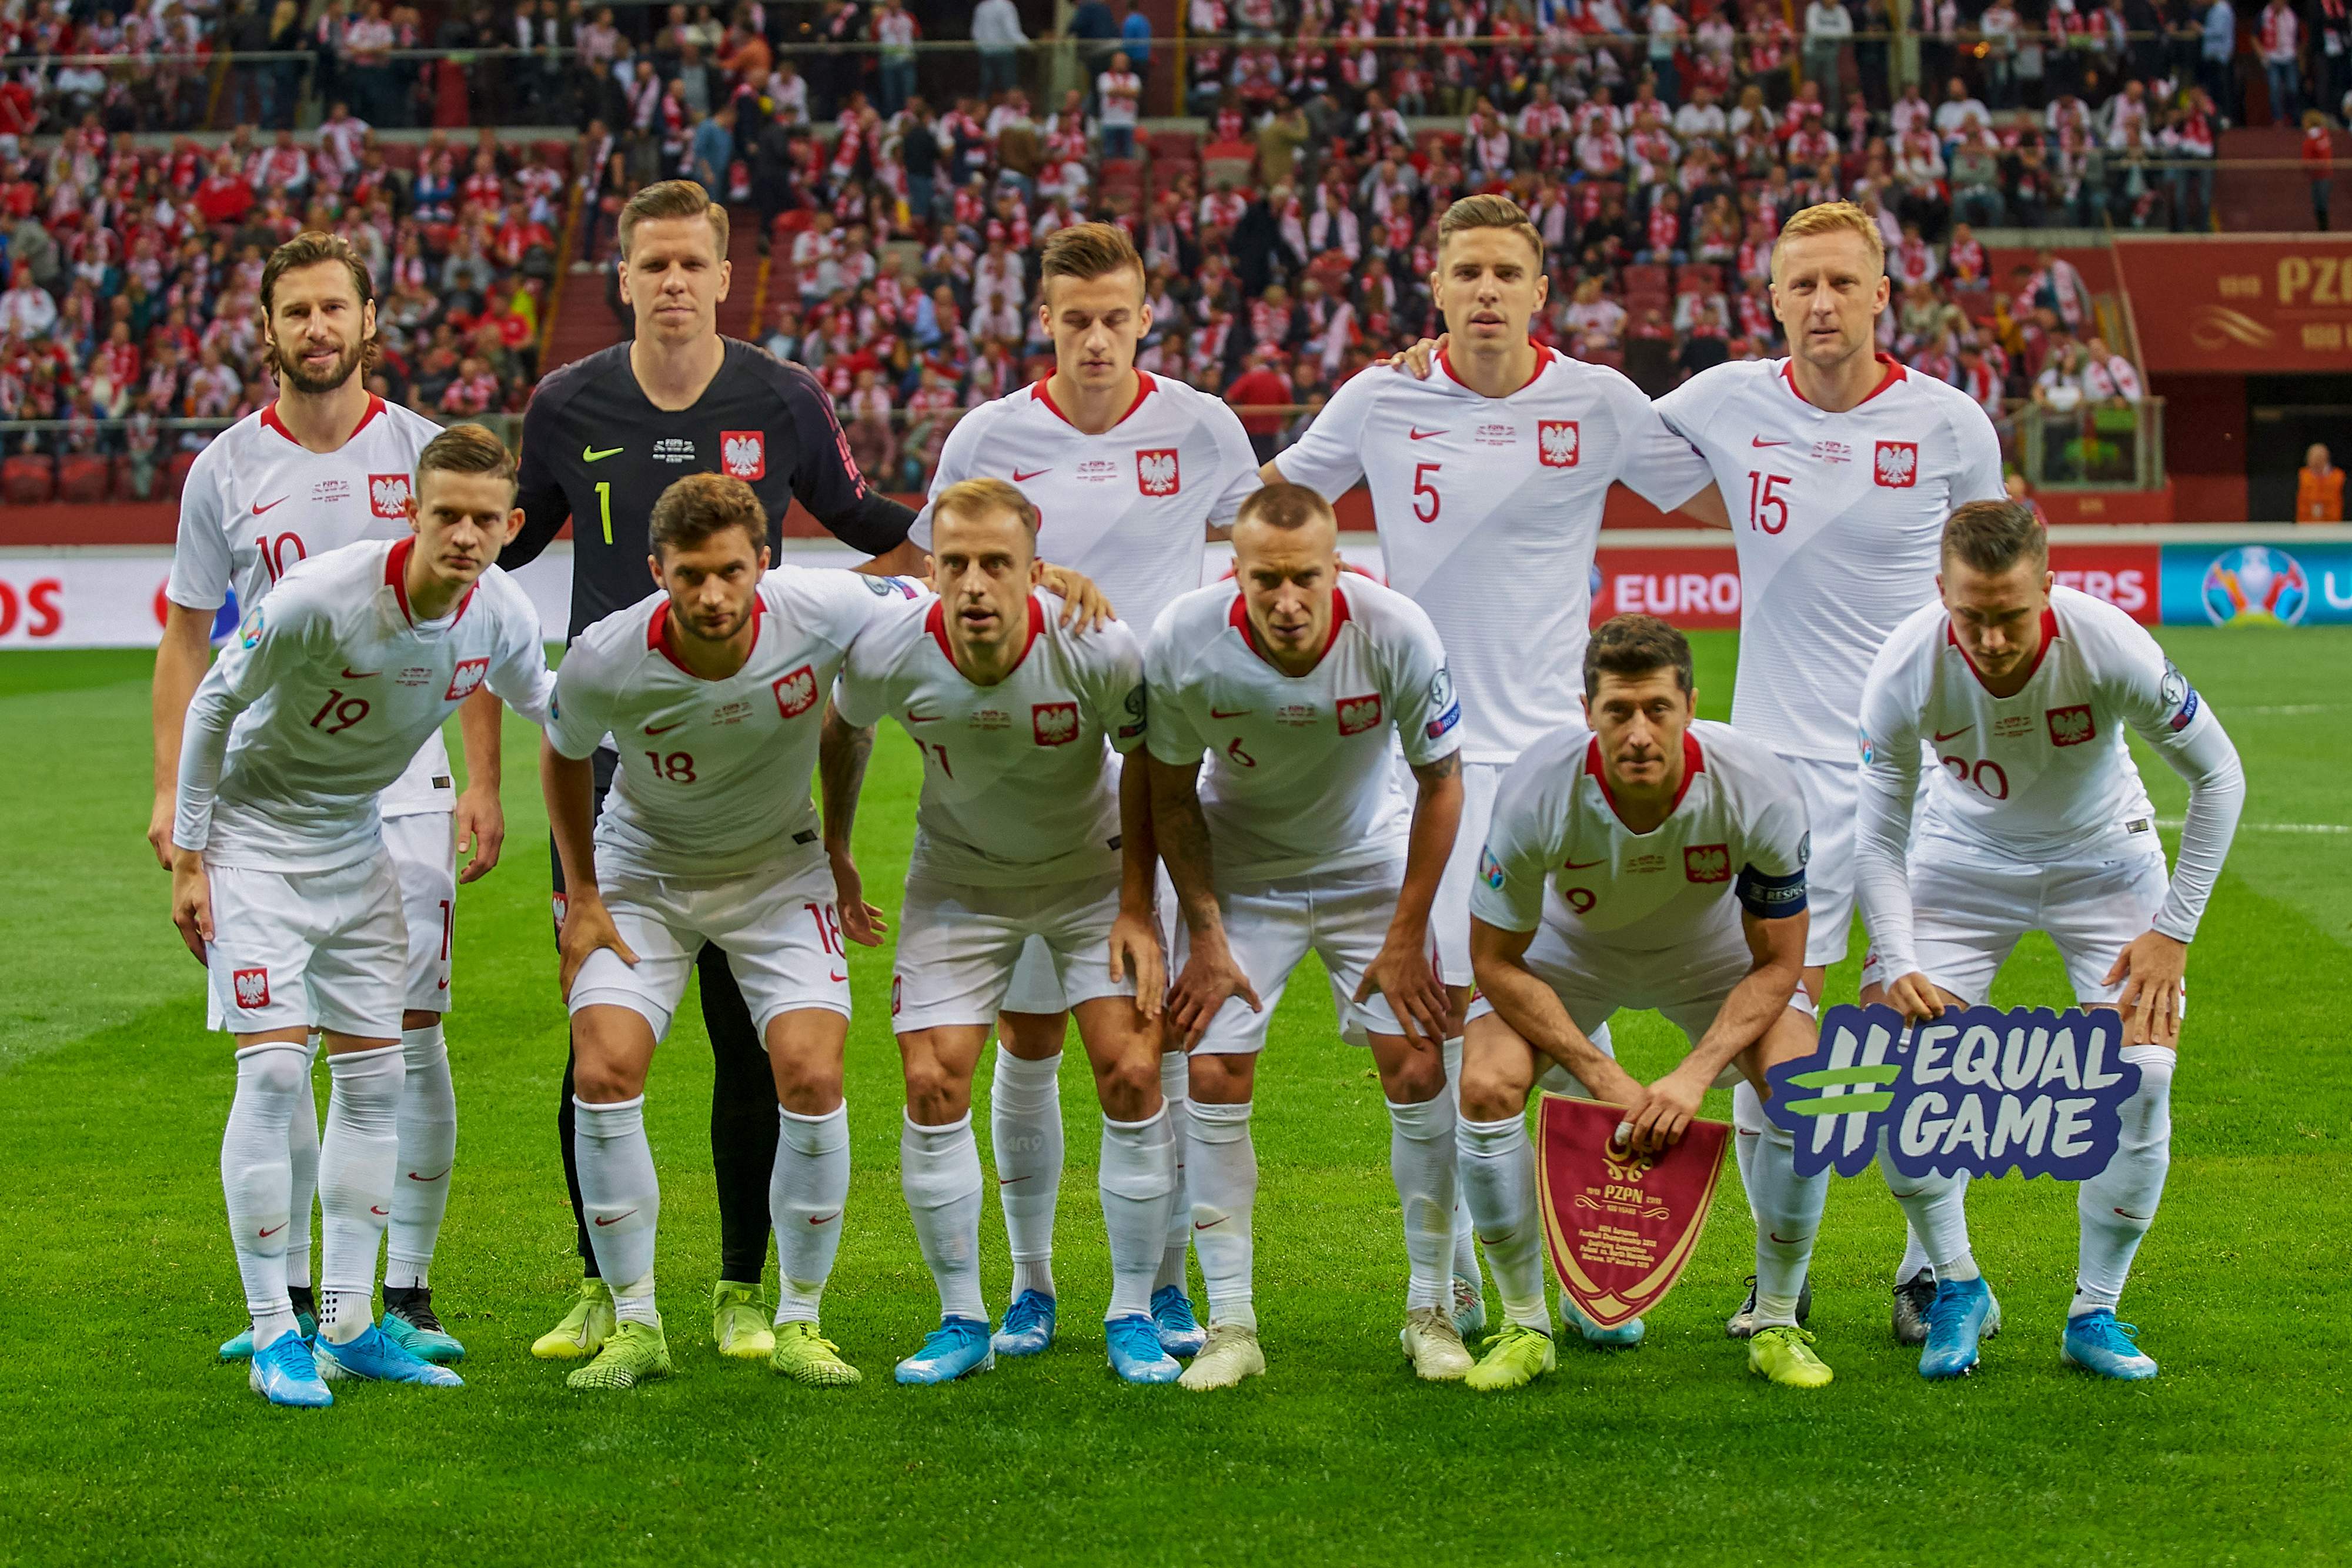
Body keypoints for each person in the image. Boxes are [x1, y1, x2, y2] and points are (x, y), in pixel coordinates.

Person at [1281, 193, 1723, 1344]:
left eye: (1505, 273)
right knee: (1429, 1045)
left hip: (1553, 766)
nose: (1484, 289)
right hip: (1419, 768)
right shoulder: (1378, 399)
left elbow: (1717, 472)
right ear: (1433, 287)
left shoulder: (1599, 401)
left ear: (1540, 293)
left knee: (1576, 1024)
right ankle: (1442, 1290)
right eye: (1465, 270)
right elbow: (1271, 509)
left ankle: (1600, 1271)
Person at [500, 180, 924, 1368]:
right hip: (610, 770)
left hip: (751, 754)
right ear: (622, 279)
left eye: (694, 264)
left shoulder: (782, 396)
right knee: (593, 1040)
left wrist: (975, 569)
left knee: (755, 1047)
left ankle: (745, 1290)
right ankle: (604, 1288)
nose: (674, 282)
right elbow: (514, 540)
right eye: (654, 265)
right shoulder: (563, 402)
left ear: (722, 276)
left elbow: (851, 512)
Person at [1653, 200, 2006, 1343]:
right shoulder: (1721, 401)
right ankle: (1775, 1286)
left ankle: (1927, 1269)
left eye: (1840, 285)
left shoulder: (1950, 425)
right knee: (1773, 1028)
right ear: (1769, 300)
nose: (1818, 305)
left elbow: (1991, 596)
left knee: (1920, 1033)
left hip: (1918, 780)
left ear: (1879, 296)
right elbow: (1583, 420)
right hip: (1774, 782)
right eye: (1798, 285)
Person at [910, 220, 1261, 1364]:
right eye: (1076, 320)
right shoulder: (990, 434)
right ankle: (1026, 1284)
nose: (1097, 338)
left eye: (1116, 316)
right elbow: (946, 567)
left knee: (1146, 1043)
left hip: (1162, 771)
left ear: (1145, 313)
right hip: (1031, 773)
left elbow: (1257, 541)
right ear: (1044, 321)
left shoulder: (1202, 426)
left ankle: (1155, 1289)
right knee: (1025, 1038)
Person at [156, 232, 503, 1369]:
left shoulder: (422, 450)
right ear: (269, 330)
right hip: (274, 786)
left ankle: (397, 1290)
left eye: (333, 310)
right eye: (294, 310)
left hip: (407, 788)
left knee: (405, 1040)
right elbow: (185, 636)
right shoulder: (225, 469)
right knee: (277, 1052)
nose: (316, 329)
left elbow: (478, 620)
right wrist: (173, 796)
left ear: (369, 322)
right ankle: (290, 1305)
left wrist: (483, 782)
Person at [170, 425, 557, 1406]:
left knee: (377, 1083)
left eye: (484, 519)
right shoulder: (321, 597)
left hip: (356, 845)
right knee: (268, 1077)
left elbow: (551, 705)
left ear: (511, 527)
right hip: (256, 841)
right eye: (446, 515)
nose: (464, 536)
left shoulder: (500, 615)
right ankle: (272, 1333)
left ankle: (344, 1322)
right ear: (412, 514)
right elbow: (215, 705)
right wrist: (190, 853)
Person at [1854, 500, 2245, 1381]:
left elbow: (2220, 774)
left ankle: (2094, 1311)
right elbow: (1876, 836)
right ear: (1941, 593)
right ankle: (1957, 1284)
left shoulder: (2110, 644)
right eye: (1971, 615)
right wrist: (1902, 957)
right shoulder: (1905, 667)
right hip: (1957, 865)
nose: (1990, 638)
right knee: (1903, 1071)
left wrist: (2172, 930)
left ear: (2050, 589)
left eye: (2011, 614)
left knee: (2142, 1077)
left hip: (2106, 861)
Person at [539, 474, 912, 1392]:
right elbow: (562, 750)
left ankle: (800, 1318)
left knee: (814, 1073)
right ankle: (635, 1325)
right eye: (692, 574)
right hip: (643, 874)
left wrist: (1050, 581)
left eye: (732, 572)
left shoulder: (822, 606)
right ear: (658, 568)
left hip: (779, 873)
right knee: (603, 1068)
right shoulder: (607, 654)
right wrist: (583, 890)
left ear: (766, 564)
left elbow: (945, 594)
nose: (713, 595)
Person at [830, 479, 1181, 1386]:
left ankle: (1133, 1311)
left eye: (997, 564)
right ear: (930, 568)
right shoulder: (890, 645)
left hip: (1089, 875)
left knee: (1134, 1070)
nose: (976, 584)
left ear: (1037, 569)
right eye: (956, 564)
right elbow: (844, 729)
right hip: (960, 879)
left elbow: (1148, 760)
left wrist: (1139, 903)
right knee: (932, 1081)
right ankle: (963, 1316)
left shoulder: (1098, 645)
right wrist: (834, 846)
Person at [1145, 483, 1469, 1390]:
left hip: (1369, 862)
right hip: (1242, 869)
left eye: (1306, 578)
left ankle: (1431, 1307)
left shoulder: (1396, 629)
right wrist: (1204, 932)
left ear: (1338, 566)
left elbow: (1442, 782)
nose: (1287, 601)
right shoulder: (1184, 637)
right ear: (1235, 571)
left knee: (1416, 1063)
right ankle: (1231, 1325)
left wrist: (1407, 936)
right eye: (1265, 580)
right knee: (1212, 1069)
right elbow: (1168, 790)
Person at [1456, 614, 1831, 1392]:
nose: (1637, 732)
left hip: (1710, 952)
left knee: (1806, 1087)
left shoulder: (1756, 784)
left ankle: (1778, 1320)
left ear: (1690, 704)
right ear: (1587, 710)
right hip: (1571, 951)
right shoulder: (1536, 786)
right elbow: (1493, 959)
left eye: (1656, 707)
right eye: (1617, 710)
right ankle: (1524, 1323)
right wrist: (1601, 1073)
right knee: (1486, 1085)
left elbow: (1781, 961)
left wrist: (1693, 1075)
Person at [2297, 442, 2344, 521]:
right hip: (2306, 526)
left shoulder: (2339, 476)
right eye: (2313, 457)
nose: (2316, 461)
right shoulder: (2301, 476)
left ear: (2326, 458)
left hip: (2334, 526)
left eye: (2319, 457)